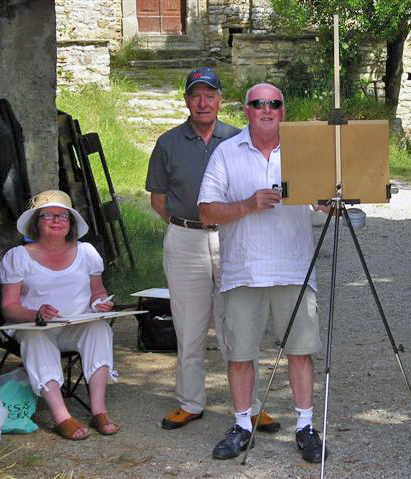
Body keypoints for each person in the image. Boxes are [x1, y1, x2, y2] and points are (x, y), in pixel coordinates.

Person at [198, 83, 327, 463]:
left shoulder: (303, 150)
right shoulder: (225, 152)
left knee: (301, 353)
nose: (267, 109)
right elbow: (206, 211)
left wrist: (331, 204)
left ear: (283, 111)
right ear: (247, 111)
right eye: (258, 104)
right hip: (244, 271)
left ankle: (305, 426)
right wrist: (248, 204)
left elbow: (328, 201)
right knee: (240, 355)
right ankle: (242, 425)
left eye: (274, 103)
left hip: (294, 270)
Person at [145, 67, 279, 432]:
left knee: (238, 325)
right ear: (186, 100)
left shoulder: (238, 139)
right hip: (185, 238)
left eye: (209, 95)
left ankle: (250, 406)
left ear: (221, 100)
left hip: (231, 237)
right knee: (188, 327)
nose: (202, 102)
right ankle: (190, 402)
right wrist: (187, 225)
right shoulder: (168, 142)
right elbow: (159, 199)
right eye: (195, 95)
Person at [0, 190, 118, 440]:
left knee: (99, 328)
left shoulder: (86, 252)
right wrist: (36, 313)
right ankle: (61, 415)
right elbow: (9, 306)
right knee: (36, 338)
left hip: (77, 323)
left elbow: (98, 292)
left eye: (63, 216)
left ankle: (99, 410)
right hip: (36, 325)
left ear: (71, 223)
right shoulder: (18, 257)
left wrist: (100, 304)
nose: (57, 220)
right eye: (48, 215)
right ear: (36, 222)